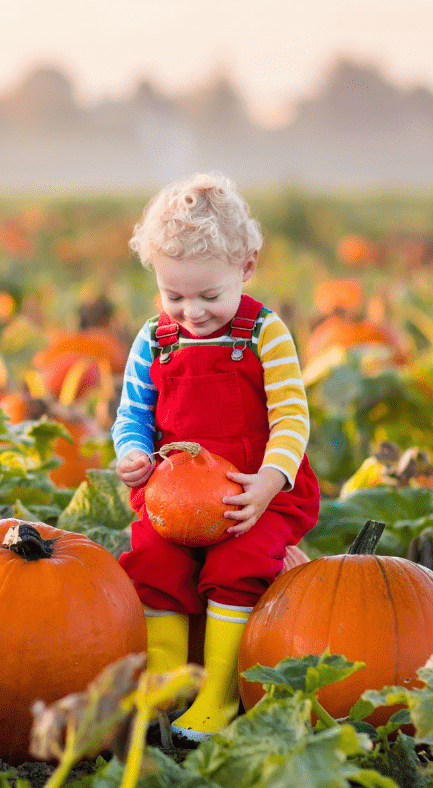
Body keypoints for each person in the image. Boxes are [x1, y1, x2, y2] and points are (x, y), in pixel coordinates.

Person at [111, 172, 320, 741]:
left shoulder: (263, 334)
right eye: (174, 295)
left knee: (237, 565)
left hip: (253, 492)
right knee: (153, 562)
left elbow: (292, 418)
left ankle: (219, 695)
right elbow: (133, 413)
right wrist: (131, 451)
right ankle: (166, 684)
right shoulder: (155, 338)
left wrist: (270, 482)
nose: (192, 312)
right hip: (174, 496)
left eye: (209, 296)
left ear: (245, 268)